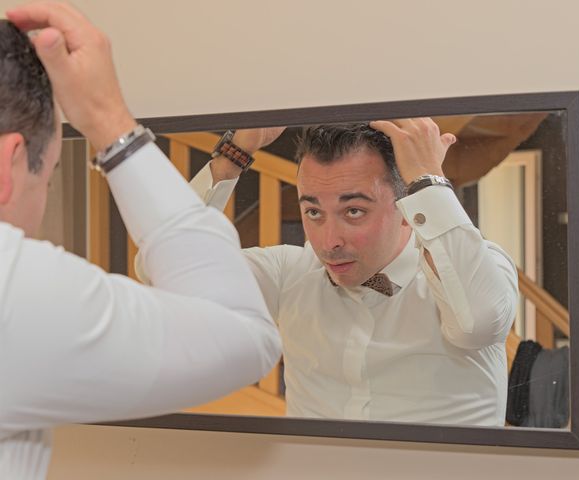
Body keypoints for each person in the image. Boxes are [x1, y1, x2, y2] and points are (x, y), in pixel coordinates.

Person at [0, 2, 280, 478]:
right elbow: (244, 334)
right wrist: (110, 122)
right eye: (48, 179)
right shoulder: (15, 291)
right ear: (8, 166)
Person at [145, 119, 519, 426]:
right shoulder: (288, 272)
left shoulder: (478, 266)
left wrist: (427, 180)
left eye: (353, 211)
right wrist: (232, 155)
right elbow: (165, 272)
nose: (328, 242)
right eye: (313, 212)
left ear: (407, 204)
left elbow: (478, 324)